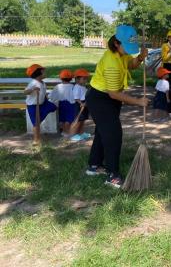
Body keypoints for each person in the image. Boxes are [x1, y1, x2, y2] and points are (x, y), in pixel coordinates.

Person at [85, 25, 148, 188]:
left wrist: (140, 57)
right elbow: (113, 93)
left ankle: (94, 165)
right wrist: (138, 101)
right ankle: (112, 175)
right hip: (101, 99)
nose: (128, 51)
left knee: (102, 132)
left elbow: (131, 64)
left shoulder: (120, 54)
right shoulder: (111, 62)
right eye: (126, 47)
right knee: (113, 135)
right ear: (116, 44)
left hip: (108, 98)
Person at [24, 64, 57, 140]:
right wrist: (33, 89)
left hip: (43, 103)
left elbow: (43, 92)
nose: (45, 73)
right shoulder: (33, 83)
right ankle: (36, 140)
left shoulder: (43, 82)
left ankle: (40, 121)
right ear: (38, 73)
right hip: (33, 106)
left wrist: (46, 98)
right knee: (36, 124)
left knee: (54, 107)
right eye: (43, 71)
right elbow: (25, 92)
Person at [50, 69, 76, 137]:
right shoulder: (72, 86)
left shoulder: (57, 86)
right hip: (70, 104)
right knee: (69, 118)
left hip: (61, 104)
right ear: (71, 78)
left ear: (60, 78)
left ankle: (63, 131)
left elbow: (52, 96)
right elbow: (75, 96)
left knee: (62, 118)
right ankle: (67, 132)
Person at [71, 68, 91, 141]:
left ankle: (81, 133)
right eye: (84, 78)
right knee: (79, 121)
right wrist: (81, 103)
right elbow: (76, 98)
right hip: (79, 105)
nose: (86, 80)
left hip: (84, 104)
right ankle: (74, 135)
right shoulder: (77, 87)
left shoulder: (83, 86)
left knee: (83, 120)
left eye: (86, 78)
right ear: (77, 79)